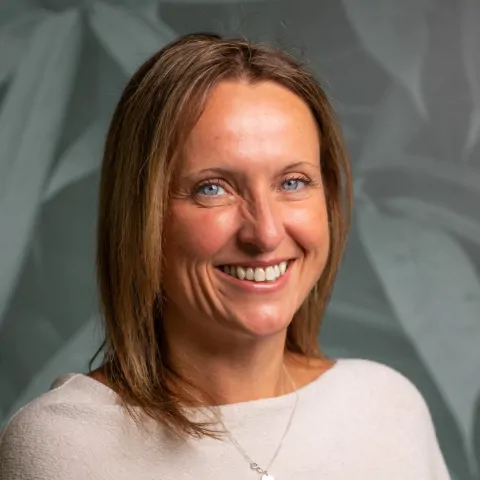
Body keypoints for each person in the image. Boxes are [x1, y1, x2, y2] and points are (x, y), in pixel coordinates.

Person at [0, 33, 450, 480]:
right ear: (141, 216)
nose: (266, 233)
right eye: (212, 188)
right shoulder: (65, 448)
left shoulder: (388, 408)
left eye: (292, 182)